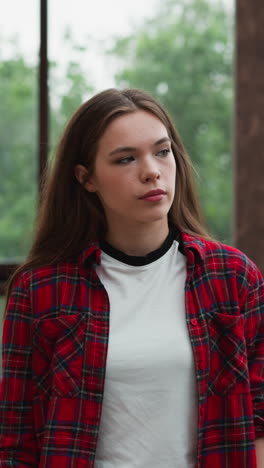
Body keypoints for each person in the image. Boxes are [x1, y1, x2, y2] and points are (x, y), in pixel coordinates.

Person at [0, 88, 263, 468]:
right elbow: (14, 443)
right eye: (126, 159)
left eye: (162, 151)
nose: (152, 171)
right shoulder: (41, 291)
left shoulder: (234, 278)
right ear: (86, 178)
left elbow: (260, 419)